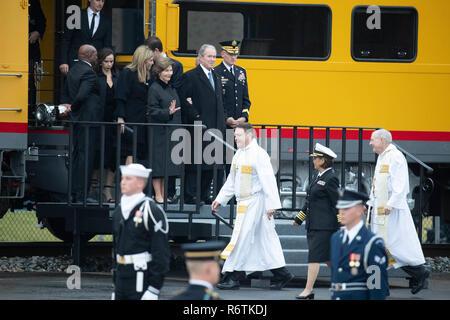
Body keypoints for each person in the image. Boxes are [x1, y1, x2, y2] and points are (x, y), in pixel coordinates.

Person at [212, 122, 294, 290]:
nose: (235, 138)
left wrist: (272, 205)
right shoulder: (239, 155)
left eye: (238, 135)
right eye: (235, 136)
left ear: (249, 135)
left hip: (256, 203)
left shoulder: (259, 154)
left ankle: (233, 276)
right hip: (246, 203)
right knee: (265, 240)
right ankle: (282, 275)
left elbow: (268, 180)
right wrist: (220, 198)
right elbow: (231, 180)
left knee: (241, 237)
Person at [367, 128, 430, 294]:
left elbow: (401, 185)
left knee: (392, 247)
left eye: (373, 139)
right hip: (381, 211)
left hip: (390, 211)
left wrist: (391, 204)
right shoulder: (383, 156)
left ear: (383, 140)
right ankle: (382, 287)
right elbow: (378, 184)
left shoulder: (395, 157)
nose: (370, 142)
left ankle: (420, 273)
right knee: (384, 247)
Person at [112, 163, 170, 300]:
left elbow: (161, 252)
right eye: (122, 178)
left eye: (128, 179)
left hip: (141, 277)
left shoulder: (151, 210)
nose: (123, 182)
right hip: (121, 279)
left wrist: (154, 289)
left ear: (140, 183)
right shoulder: (119, 211)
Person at [179, 44, 226, 205]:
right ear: (200, 57)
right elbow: (183, 98)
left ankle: (204, 193)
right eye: (209, 56)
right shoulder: (191, 76)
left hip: (216, 127)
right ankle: (190, 195)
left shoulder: (217, 76)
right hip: (199, 126)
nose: (212, 59)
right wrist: (196, 116)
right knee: (196, 163)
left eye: (214, 56)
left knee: (212, 164)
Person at [292, 143, 340, 299]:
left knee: (313, 257)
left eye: (315, 158)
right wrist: (299, 218)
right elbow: (310, 200)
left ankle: (308, 290)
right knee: (327, 259)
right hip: (314, 225)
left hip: (325, 226)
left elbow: (337, 203)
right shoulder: (317, 177)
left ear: (323, 160)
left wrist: (342, 225)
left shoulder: (331, 178)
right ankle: (345, 284)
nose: (313, 161)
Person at [144, 35, 184, 203]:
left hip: (170, 131)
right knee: (158, 166)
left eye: (170, 70)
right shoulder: (154, 89)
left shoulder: (171, 88)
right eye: (166, 71)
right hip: (159, 131)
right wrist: (167, 113)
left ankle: (162, 195)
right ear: (158, 72)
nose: (170, 73)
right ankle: (158, 195)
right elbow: (151, 110)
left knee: (166, 166)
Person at [330, 189, 389, 300]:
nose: (341, 212)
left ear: (360, 210)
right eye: (340, 208)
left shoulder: (372, 243)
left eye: (346, 208)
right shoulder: (336, 238)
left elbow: (377, 288)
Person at [60, 45, 100, 202]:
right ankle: (82, 195)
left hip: (77, 121)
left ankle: (74, 192)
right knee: (86, 157)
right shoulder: (89, 73)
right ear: (90, 56)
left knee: (77, 156)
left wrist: (66, 106)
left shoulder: (73, 70)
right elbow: (82, 95)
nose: (97, 58)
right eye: (96, 55)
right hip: (88, 120)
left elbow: (66, 93)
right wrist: (72, 109)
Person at [115, 45, 154, 165]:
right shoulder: (127, 73)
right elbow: (120, 97)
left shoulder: (149, 75)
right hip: (131, 120)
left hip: (144, 121)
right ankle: (128, 181)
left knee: (140, 153)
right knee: (130, 151)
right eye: (151, 60)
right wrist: (120, 118)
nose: (152, 63)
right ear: (143, 59)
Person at [90, 48, 118, 202]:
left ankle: (107, 192)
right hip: (99, 120)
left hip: (112, 121)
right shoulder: (96, 77)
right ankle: (93, 190)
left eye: (111, 61)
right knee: (97, 156)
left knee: (111, 158)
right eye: (106, 61)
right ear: (100, 61)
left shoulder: (117, 76)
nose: (109, 64)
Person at [59, 0, 112, 75]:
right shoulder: (76, 16)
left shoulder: (106, 21)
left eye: (103, 1)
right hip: (75, 63)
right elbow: (66, 40)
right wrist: (63, 62)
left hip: (95, 66)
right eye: (97, 0)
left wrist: (106, 64)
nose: (100, 4)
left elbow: (107, 45)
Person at [215, 40, 251, 130]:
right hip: (223, 124)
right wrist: (226, 118)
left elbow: (245, 99)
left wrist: (244, 117)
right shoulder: (216, 72)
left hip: (239, 124)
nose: (234, 57)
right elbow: (216, 100)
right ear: (223, 54)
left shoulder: (241, 71)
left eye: (235, 55)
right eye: (231, 54)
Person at [28, 0, 46, 116]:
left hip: (30, 49)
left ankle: (31, 112)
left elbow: (42, 21)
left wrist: (37, 32)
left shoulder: (33, 1)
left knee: (30, 81)